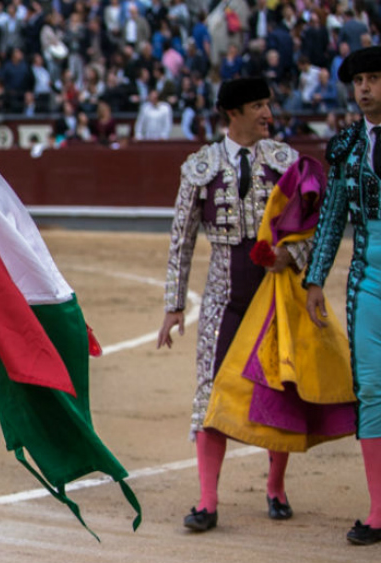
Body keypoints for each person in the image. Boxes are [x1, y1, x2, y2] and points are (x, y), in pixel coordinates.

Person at [157, 77, 310, 532]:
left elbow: (312, 228)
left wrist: (290, 255)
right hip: (223, 296)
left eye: (268, 104)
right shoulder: (200, 166)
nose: (268, 113)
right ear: (234, 113)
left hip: (273, 294)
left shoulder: (286, 161)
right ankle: (207, 501)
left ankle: (276, 487)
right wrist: (174, 305)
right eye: (259, 105)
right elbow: (181, 238)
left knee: (278, 389)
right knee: (211, 392)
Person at [305, 45, 381, 546]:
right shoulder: (349, 144)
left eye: (374, 78)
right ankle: (379, 510)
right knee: (372, 389)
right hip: (369, 280)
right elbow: (333, 215)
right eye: (359, 81)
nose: (366, 88)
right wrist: (315, 278)